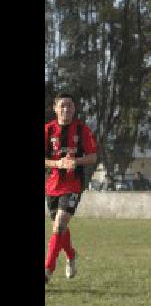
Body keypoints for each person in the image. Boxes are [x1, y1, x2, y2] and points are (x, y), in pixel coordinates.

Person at [44, 92, 98, 283]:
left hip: (73, 185)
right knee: (60, 228)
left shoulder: (82, 130)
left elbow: (93, 157)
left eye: (70, 106)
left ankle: (48, 269)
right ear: (55, 108)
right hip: (52, 186)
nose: (66, 109)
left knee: (59, 225)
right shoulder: (48, 130)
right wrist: (57, 164)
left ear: (74, 109)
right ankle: (71, 255)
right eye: (63, 106)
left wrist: (75, 161)